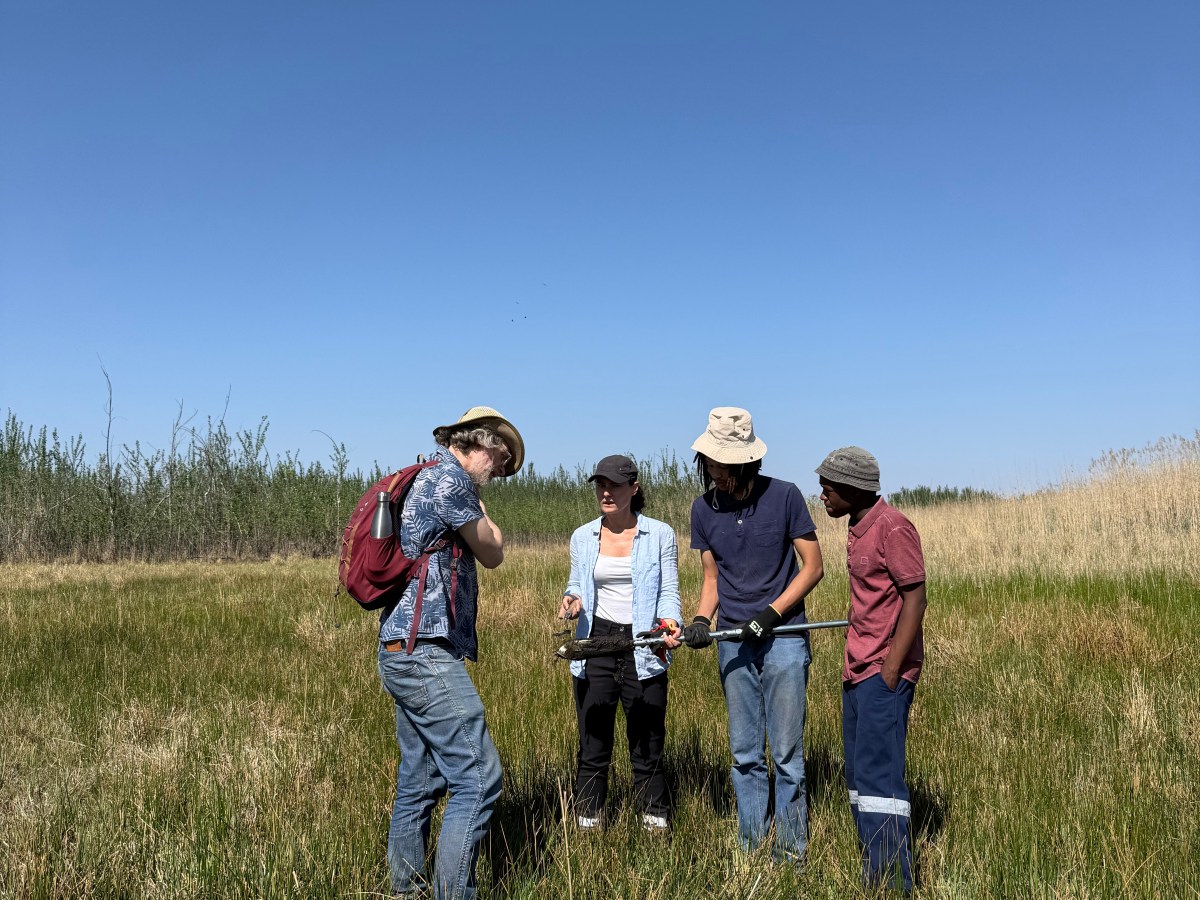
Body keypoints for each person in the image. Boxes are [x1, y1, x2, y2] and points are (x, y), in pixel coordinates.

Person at [376, 406, 523, 900]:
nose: (498, 471)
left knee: (419, 780)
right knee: (480, 779)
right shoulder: (452, 483)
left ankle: (406, 890)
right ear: (477, 444)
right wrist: (479, 502)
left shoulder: (434, 478)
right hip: (424, 653)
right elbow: (494, 552)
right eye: (499, 459)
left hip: (402, 647)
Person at [682, 407, 824, 866]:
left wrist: (773, 613)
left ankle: (791, 854)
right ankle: (751, 848)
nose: (717, 473)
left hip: (784, 637)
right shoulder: (702, 510)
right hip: (733, 641)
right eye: (711, 464)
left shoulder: (784, 497)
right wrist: (703, 622)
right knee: (745, 754)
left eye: (724, 465)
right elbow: (711, 581)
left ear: (747, 462)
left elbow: (814, 567)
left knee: (786, 754)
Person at [816, 446, 927, 893]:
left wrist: (891, 668)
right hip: (856, 669)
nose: (822, 494)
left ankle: (894, 883)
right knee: (861, 777)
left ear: (853, 488)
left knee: (881, 778)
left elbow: (916, 598)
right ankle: (872, 873)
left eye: (828, 487)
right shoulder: (858, 526)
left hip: (883, 672)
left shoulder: (893, 527)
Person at [560, 454, 682, 833]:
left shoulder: (659, 534)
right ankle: (587, 829)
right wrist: (571, 599)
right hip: (595, 643)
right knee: (593, 744)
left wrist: (671, 623)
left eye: (614, 485)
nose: (606, 492)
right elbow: (577, 583)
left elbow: (669, 590)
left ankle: (654, 827)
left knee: (647, 744)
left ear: (634, 487)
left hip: (644, 645)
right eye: (600, 485)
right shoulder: (583, 536)